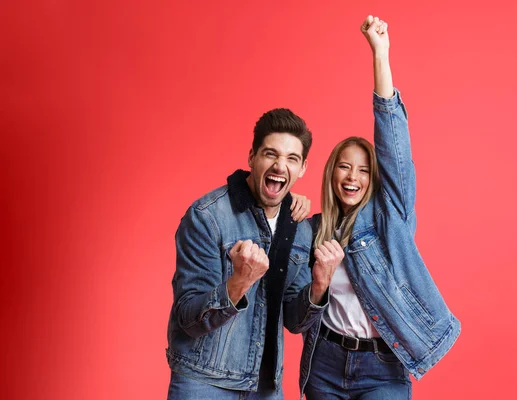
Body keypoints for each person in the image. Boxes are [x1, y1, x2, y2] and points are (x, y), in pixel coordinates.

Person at [299, 16, 461, 400]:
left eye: (363, 169)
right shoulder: (311, 231)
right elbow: (295, 311)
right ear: (331, 173)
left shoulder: (389, 218)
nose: (352, 176)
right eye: (344, 166)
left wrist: (380, 53)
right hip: (323, 362)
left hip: (382, 369)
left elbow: (392, 142)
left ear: (374, 179)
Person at [166, 108, 344, 399]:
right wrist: (238, 282)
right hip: (205, 381)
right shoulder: (207, 218)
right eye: (270, 154)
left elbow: (294, 321)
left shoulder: (299, 227)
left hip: (265, 386)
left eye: (291, 159)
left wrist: (320, 285)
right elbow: (189, 318)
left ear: (302, 169)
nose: (279, 165)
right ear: (252, 157)